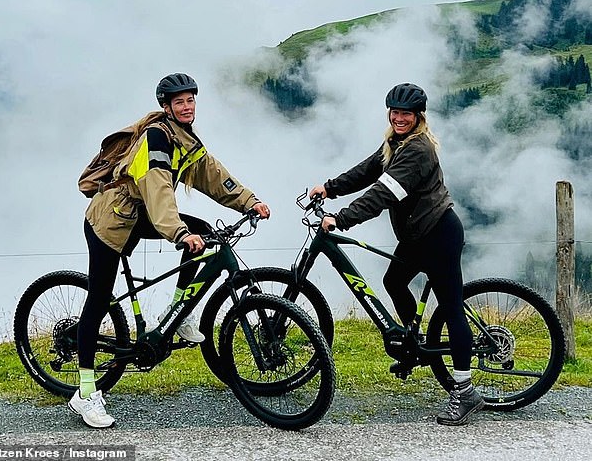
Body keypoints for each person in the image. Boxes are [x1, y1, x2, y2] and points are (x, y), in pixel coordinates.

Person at [68, 73, 270, 428]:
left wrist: (249, 202)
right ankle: (85, 393)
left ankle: (181, 313)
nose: (187, 106)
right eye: (180, 102)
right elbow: (159, 188)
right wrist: (178, 233)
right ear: (167, 106)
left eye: (191, 100)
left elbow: (214, 175)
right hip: (110, 221)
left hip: (140, 213)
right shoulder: (156, 137)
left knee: (205, 233)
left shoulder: (185, 137)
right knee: (98, 299)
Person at [308, 82, 484, 426]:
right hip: (418, 235)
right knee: (394, 281)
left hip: (439, 235)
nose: (399, 117)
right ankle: (413, 342)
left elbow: (383, 193)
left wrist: (341, 218)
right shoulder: (395, 141)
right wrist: (330, 187)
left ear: (419, 116)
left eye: (406, 113)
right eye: (395, 112)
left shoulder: (418, 150)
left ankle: (465, 393)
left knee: (451, 308)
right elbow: (368, 170)